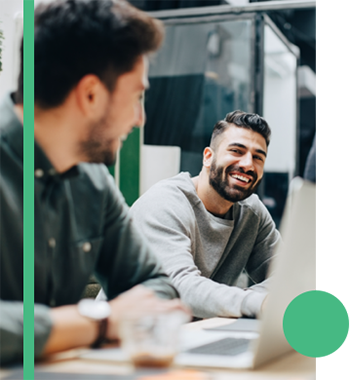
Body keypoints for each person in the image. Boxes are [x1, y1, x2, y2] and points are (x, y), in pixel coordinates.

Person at [0, 0, 188, 365]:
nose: (140, 118)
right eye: (136, 97)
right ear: (90, 95)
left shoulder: (93, 181)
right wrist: (96, 321)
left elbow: (156, 286)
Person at [130, 111, 281, 319]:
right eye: (237, 151)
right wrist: (259, 302)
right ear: (208, 157)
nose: (247, 164)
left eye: (257, 157)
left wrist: (255, 299)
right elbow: (180, 288)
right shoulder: (164, 204)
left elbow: (286, 276)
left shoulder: (252, 213)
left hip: (198, 334)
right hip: (125, 340)